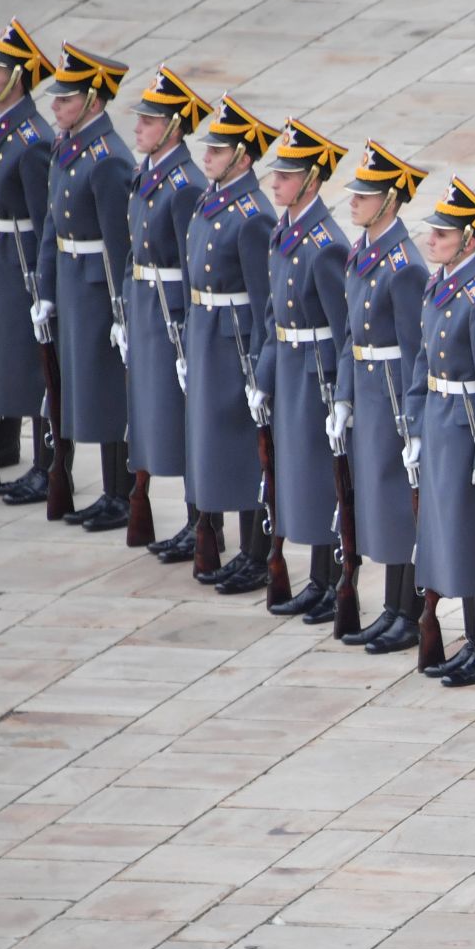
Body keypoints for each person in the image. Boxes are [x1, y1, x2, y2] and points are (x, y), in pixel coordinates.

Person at [405, 176, 475, 682]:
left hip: (466, 427)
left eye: (443, 235)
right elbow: (423, 358)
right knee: (449, 533)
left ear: (468, 240)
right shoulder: (439, 283)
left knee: (473, 537)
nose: (431, 240)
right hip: (440, 421)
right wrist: (413, 420)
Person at [333, 139, 428, 652]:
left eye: (364, 196)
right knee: (381, 505)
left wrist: (412, 423)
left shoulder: (404, 265)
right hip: (369, 395)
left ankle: (408, 614)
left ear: (389, 201)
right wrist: (344, 396)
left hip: (393, 397)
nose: (353, 202)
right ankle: (392, 608)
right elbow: (352, 334)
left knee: (401, 507)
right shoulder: (363, 253)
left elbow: (416, 353)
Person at [181, 94, 275, 593]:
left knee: (243, 449)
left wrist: (259, 368)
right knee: (212, 443)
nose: (207, 157)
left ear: (242, 156)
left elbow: (263, 304)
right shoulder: (211, 198)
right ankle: (228, 544)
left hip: (234, 339)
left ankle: (255, 554)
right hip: (205, 333)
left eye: (217, 151)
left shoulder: (252, 214)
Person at [256, 118, 349, 623]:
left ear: (311, 181)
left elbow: (342, 329)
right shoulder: (284, 232)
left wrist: (338, 394)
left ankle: (332, 581)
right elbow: (274, 316)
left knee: (320, 478)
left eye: (287, 176)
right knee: (297, 476)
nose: (276, 182)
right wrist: (265, 376)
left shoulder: (324, 243)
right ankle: (316, 581)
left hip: (316, 373)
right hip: (290, 366)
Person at [37, 42, 133, 530]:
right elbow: (54, 223)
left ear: (93, 101)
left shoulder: (108, 158)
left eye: (65, 99)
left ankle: (121, 494)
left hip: (98, 286)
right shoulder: (67, 145)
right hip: (74, 284)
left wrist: (121, 311)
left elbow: (120, 245)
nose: (54, 106)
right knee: (82, 389)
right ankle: (109, 490)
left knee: (109, 391)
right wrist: (46, 287)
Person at [120, 65, 209, 562]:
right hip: (145, 306)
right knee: (155, 417)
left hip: (170, 314)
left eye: (149, 121)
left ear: (173, 128)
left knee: (184, 421)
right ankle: (189, 520)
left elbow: (191, 266)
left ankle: (200, 522)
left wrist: (183, 331)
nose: (138, 128)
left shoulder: (183, 186)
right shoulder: (149, 174)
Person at [0, 20, 52, 497]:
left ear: (16, 78)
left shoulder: (33, 139)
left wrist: (42, 286)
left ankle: (44, 464)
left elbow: (43, 224)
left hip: (19, 264)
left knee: (32, 365)